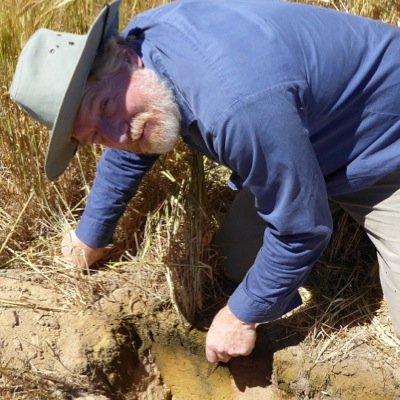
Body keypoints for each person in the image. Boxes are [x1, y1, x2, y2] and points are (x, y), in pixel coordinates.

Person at [10, 0, 400, 364]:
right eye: (96, 135)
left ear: (127, 60)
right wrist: (91, 235)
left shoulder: (236, 107)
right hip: (302, 138)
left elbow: (303, 229)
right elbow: (129, 144)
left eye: (105, 107)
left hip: (383, 147)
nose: (118, 133)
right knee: (235, 261)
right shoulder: (142, 49)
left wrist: (240, 317)